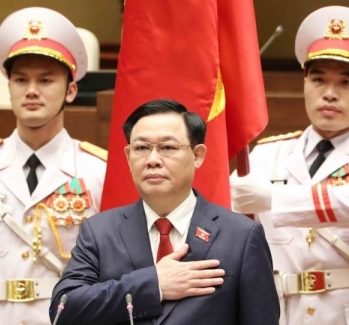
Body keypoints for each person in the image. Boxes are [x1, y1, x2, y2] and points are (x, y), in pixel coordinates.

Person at [230, 6, 349, 325]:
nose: (329, 94)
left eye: (346, 83)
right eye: (318, 79)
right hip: (282, 313)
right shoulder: (266, 155)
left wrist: (275, 199)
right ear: (304, 83)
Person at [0, 7, 107, 325]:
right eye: (20, 79)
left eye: (45, 80)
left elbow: (112, 280)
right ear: (9, 87)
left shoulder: (98, 172)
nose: (31, 90)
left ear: (70, 90)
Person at [51, 99, 279, 325]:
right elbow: (63, 308)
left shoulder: (241, 236)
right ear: (128, 157)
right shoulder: (100, 231)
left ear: (197, 155)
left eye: (167, 148)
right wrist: (153, 284)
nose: (152, 160)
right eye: (141, 148)